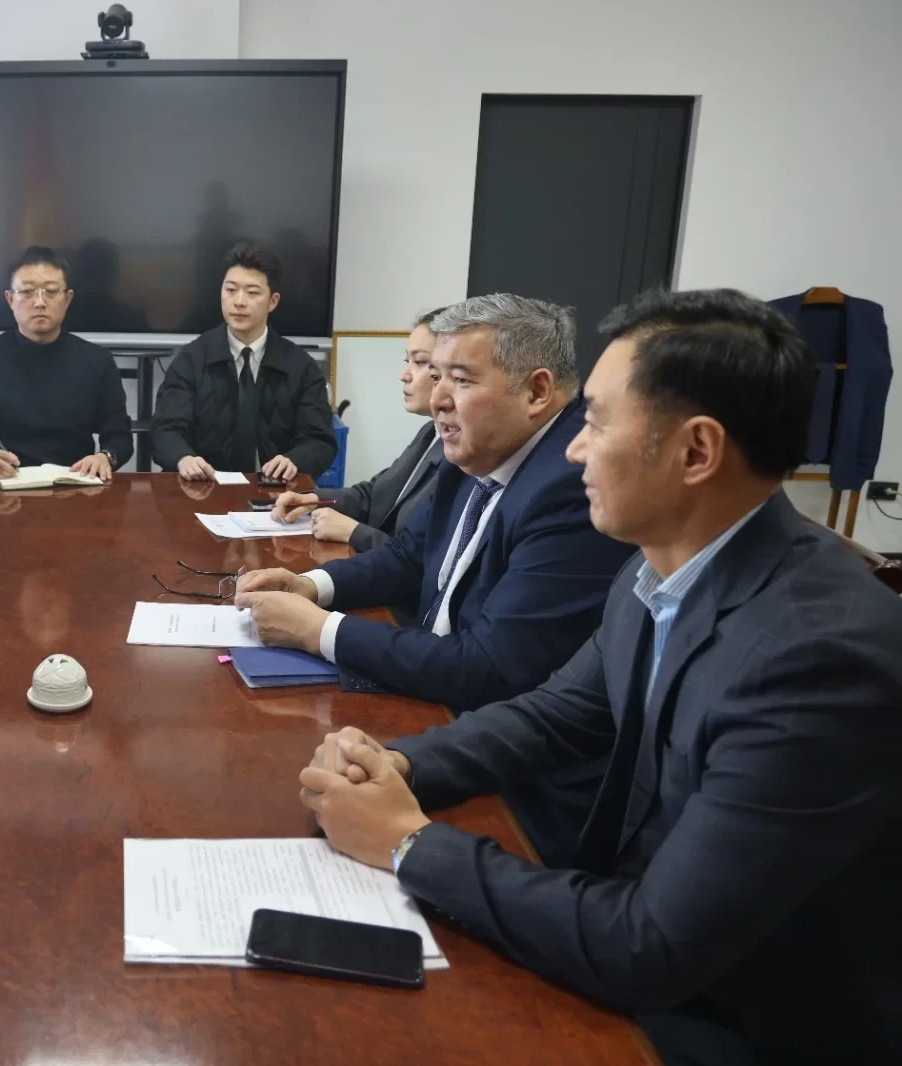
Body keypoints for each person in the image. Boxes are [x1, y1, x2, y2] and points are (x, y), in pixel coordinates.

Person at [297, 289, 902, 1066]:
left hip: (730, 1022)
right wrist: (398, 764)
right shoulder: (659, 566)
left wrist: (408, 844)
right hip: (624, 936)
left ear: (696, 452)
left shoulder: (818, 660)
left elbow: (649, 945)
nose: (575, 450)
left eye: (598, 423)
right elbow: (558, 712)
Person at [236, 295, 635, 863]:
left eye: (460, 379)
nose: (438, 397)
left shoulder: (570, 485)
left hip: (514, 780)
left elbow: (490, 669)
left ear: (537, 392)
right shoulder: (476, 447)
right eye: (435, 373)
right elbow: (408, 556)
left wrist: (319, 630)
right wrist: (312, 586)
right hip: (442, 716)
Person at [0, 246, 133, 481]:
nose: (40, 302)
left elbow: (120, 436)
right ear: (10, 299)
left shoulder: (97, 360)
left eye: (51, 291)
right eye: (27, 292)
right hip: (0, 484)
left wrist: (105, 457)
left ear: (68, 299)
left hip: (74, 483)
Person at [151, 242, 337, 481]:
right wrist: (183, 458)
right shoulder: (191, 359)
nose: (239, 301)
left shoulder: (301, 367)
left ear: (273, 301)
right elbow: (165, 429)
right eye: (230, 290)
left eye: (252, 293)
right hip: (202, 488)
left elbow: (319, 440)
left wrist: (295, 460)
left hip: (276, 491)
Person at [270, 308, 447, 553]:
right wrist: (313, 498)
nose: (404, 375)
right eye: (407, 361)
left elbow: (423, 559)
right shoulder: (430, 432)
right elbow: (374, 495)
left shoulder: (461, 457)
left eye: (419, 362)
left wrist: (354, 532)